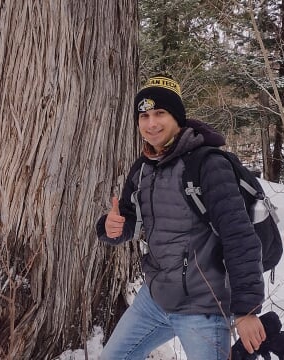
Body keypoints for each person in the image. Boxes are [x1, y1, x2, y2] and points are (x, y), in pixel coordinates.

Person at [95, 75, 266, 359]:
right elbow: (129, 219)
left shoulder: (208, 165)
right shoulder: (143, 168)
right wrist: (110, 227)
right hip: (155, 300)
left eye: (160, 113)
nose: (151, 124)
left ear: (177, 117)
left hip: (203, 309)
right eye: (144, 116)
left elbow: (240, 237)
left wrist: (246, 310)